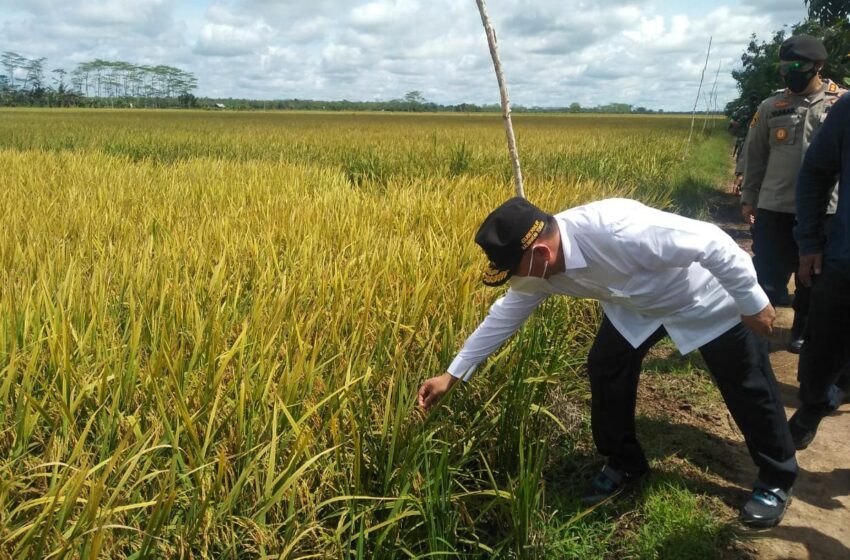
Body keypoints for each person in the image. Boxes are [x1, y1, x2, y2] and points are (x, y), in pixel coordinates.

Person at [418, 197, 798, 528]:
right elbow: (503, 316)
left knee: (746, 382)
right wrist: (452, 375)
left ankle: (776, 477)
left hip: (703, 298)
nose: (516, 282)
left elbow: (715, 243)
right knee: (606, 368)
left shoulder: (619, 229)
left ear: (541, 254)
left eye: (513, 272)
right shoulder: (534, 268)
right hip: (635, 309)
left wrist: (753, 303)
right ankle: (624, 462)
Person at [739, 35, 846, 354]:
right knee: (769, 272)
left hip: (826, 208)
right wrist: (749, 196)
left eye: (797, 66)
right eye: (784, 67)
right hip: (776, 205)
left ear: (818, 66)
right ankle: (760, 330)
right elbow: (754, 155)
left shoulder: (841, 104)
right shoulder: (771, 107)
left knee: (813, 279)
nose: (789, 73)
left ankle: (802, 331)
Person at [789, 90, 850, 450]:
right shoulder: (847, 109)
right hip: (845, 256)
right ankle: (812, 406)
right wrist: (810, 241)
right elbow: (815, 172)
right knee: (825, 338)